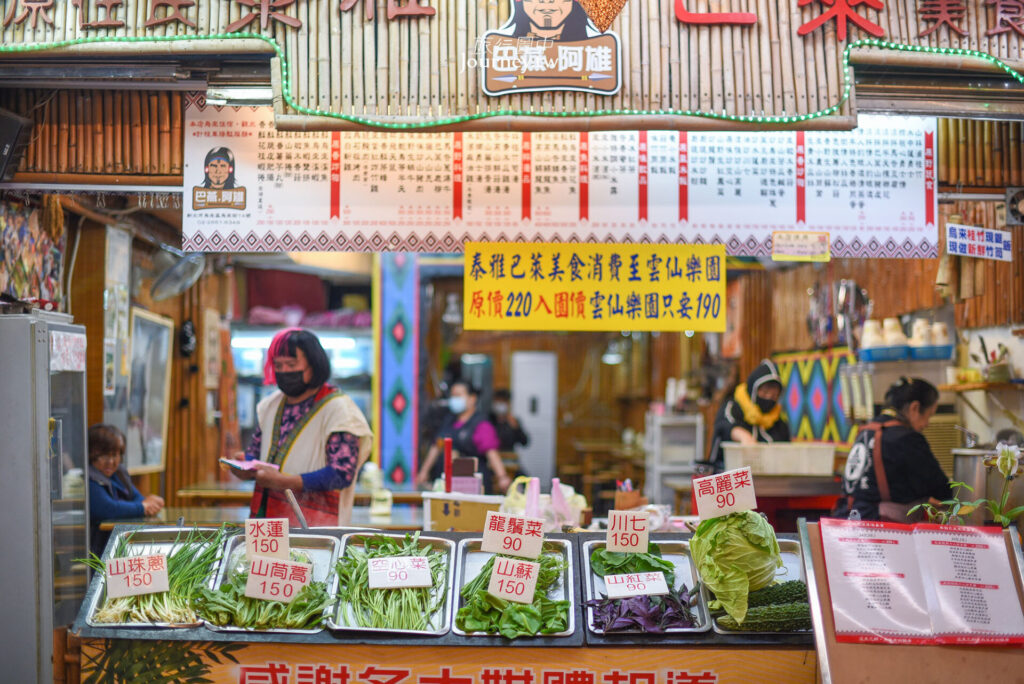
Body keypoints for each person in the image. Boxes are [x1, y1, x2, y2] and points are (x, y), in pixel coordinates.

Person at [233, 328, 373, 526]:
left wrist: (284, 482)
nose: (283, 372)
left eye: (291, 364)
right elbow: (256, 454)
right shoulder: (270, 405)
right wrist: (244, 465)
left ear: (314, 365)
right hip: (266, 523)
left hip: (315, 525)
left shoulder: (339, 410)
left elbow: (341, 474)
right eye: (278, 365)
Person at [832, 377, 951, 522]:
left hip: (844, 520)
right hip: (876, 529)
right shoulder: (907, 438)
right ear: (915, 408)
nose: (927, 424)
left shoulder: (866, 431)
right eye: (929, 415)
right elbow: (942, 491)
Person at [415, 380, 512, 494]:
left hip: (473, 485)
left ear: (472, 398)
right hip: (448, 483)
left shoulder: (481, 424)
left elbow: (491, 453)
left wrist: (502, 477)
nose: (454, 399)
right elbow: (437, 446)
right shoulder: (449, 420)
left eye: (458, 395)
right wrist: (424, 472)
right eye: (453, 396)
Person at [87, 424, 164, 556]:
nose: (111, 462)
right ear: (90, 454)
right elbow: (107, 509)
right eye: (104, 456)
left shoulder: (118, 473)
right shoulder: (88, 477)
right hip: (95, 552)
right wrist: (142, 507)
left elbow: (138, 498)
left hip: (118, 547)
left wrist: (145, 505)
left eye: (115, 455)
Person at [707, 359, 790, 471]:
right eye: (764, 393)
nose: (768, 398)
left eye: (774, 395)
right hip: (727, 478)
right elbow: (724, 425)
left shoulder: (779, 422)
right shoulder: (733, 407)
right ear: (753, 389)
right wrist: (743, 436)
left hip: (765, 483)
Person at [490, 388, 530, 452]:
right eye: (497, 401)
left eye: (502, 402)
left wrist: (517, 428)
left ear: (508, 404)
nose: (500, 404)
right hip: (491, 457)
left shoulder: (513, 421)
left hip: (509, 457)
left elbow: (525, 442)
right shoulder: (488, 420)